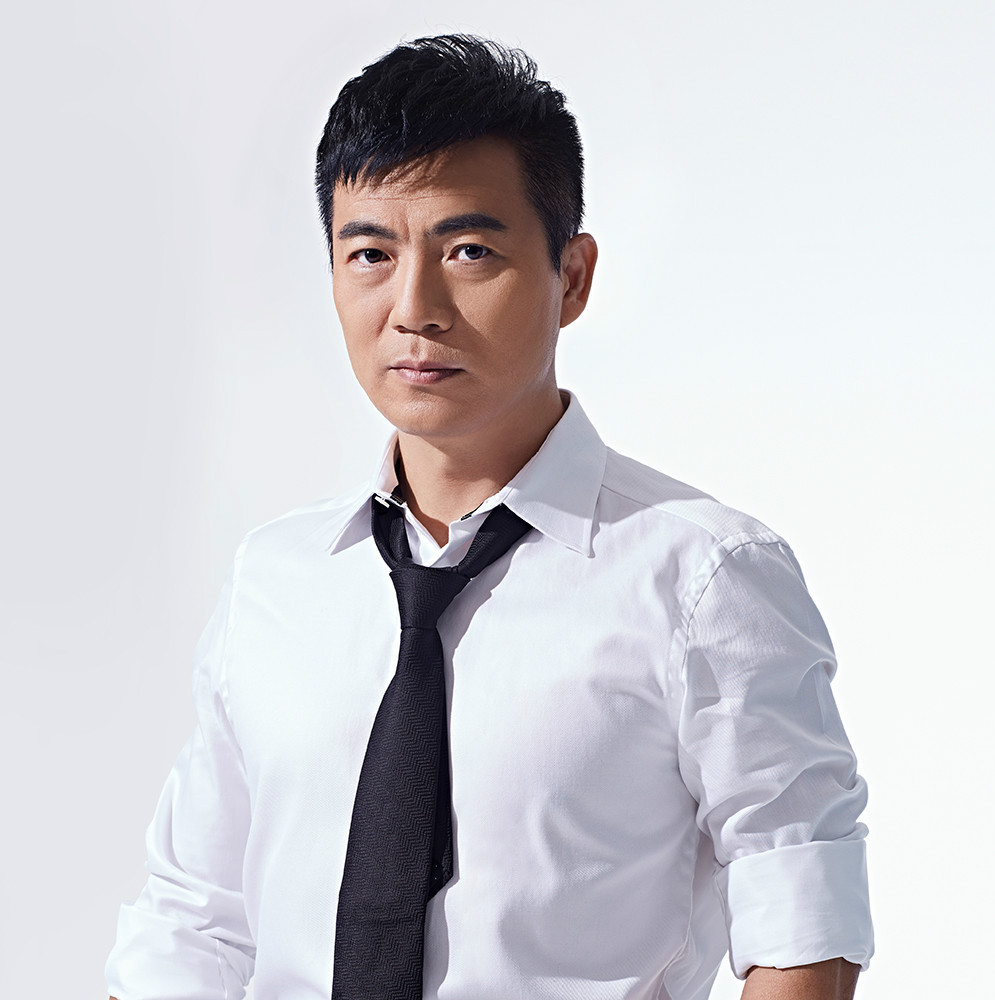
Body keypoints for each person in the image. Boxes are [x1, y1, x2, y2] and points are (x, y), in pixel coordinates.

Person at [106, 34, 873, 1000]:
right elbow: (193, 921)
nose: (414, 308)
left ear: (572, 277)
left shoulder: (702, 577)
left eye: (469, 251)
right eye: (371, 254)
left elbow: (800, 910)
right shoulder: (277, 578)